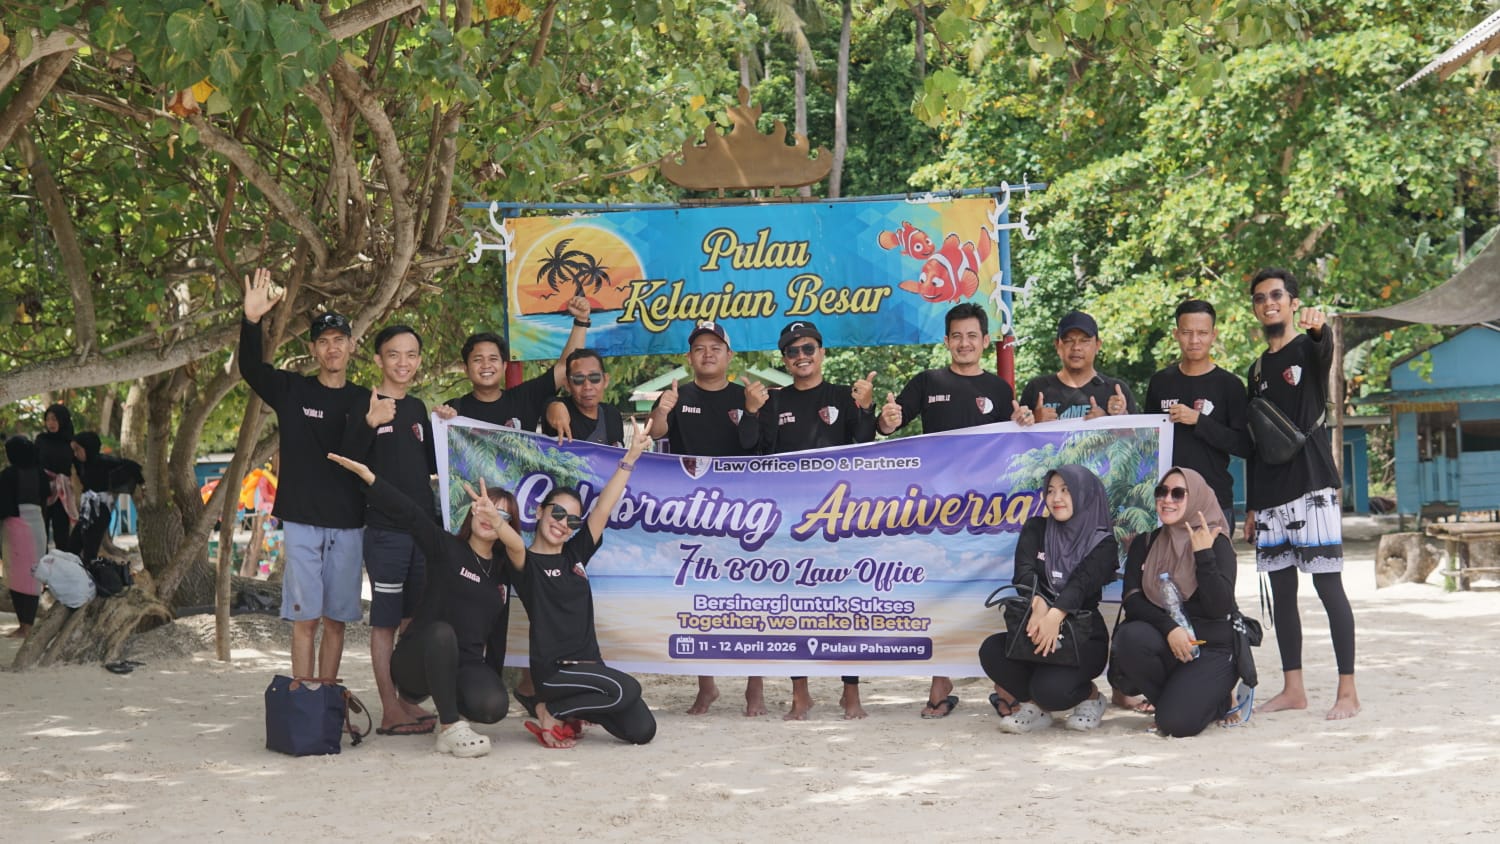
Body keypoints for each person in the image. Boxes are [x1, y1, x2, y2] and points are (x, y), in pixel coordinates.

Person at [326, 451, 515, 758]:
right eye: (485, 508)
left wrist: (489, 680)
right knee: (442, 633)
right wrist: (370, 478)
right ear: (472, 510)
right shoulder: (446, 547)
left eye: (501, 515)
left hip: (463, 664)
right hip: (417, 660)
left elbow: (497, 635)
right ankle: (450, 727)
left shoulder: (502, 573)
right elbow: (410, 513)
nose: (490, 517)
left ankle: (451, 710)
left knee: (493, 706)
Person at [878, 302, 1014, 718]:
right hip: (938, 511)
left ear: (985, 341)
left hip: (990, 513)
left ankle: (1004, 684)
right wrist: (887, 419)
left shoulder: (1000, 389)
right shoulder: (927, 381)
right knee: (942, 593)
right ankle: (941, 681)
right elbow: (889, 425)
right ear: (946, 341)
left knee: (996, 593)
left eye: (972, 335)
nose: (964, 343)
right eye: (957, 336)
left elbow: (1014, 443)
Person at [239, 267, 368, 683]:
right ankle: (303, 696)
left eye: (339, 340)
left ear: (351, 346)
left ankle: (326, 696)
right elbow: (250, 368)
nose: (332, 348)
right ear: (313, 349)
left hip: (349, 523)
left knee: (336, 621)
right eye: (323, 341)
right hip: (302, 522)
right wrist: (252, 321)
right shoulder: (293, 390)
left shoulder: (367, 401)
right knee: (305, 619)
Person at [1244, 267, 1359, 720]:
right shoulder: (1256, 369)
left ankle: (1347, 691)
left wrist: (1319, 327)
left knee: (1329, 587)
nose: (1268, 303)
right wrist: (1252, 506)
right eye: (1260, 298)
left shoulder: (1308, 349)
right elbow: (1256, 442)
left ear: (1293, 303)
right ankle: (1294, 689)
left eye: (1277, 295)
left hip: (1312, 485)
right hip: (1271, 495)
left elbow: (1323, 345)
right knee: (1282, 594)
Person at [497, 420, 656, 748]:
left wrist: (631, 457)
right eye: (557, 513)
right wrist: (493, 519)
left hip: (591, 668)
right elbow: (511, 541)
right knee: (627, 688)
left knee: (642, 730)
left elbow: (604, 507)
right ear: (539, 512)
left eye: (571, 520)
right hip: (556, 672)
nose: (562, 523)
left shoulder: (575, 554)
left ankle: (564, 711)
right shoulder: (526, 563)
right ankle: (548, 709)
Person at [647, 319, 769, 716]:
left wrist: (752, 411)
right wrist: (663, 410)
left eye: (715, 347)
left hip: (744, 514)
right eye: (700, 348)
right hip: (692, 512)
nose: (708, 354)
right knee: (698, 599)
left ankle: (755, 686)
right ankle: (706, 685)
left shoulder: (746, 396)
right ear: (689, 357)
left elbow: (756, 446)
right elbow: (655, 433)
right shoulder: (677, 395)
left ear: (729, 355)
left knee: (750, 600)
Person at [760, 320, 877, 720]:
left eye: (808, 348)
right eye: (792, 351)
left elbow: (865, 444)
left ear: (822, 352)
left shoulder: (844, 395)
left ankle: (851, 692)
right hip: (792, 522)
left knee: (846, 605)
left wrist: (867, 408)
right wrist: (754, 413)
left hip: (841, 519)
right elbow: (758, 453)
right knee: (794, 607)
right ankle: (800, 693)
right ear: (784, 359)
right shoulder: (775, 401)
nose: (801, 356)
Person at [340, 324, 440, 736]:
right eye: (394, 354)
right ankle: (388, 708)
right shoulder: (363, 403)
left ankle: (406, 700)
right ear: (378, 359)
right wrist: (369, 422)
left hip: (423, 530)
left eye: (411, 354)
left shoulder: (417, 408)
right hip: (385, 532)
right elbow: (346, 461)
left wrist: (446, 423)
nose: (403, 362)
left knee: (413, 620)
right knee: (385, 621)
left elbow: (432, 464)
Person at [978, 465, 1116, 732]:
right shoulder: (1036, 528)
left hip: (1081, 635)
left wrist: (1055, 615)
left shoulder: (1103, 542)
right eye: (1050, 491)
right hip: (1035, 624)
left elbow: (1081, 584)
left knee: (1052, 691)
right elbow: (1024, 573)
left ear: (1084, 494)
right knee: (992, 651)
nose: (1056, 498)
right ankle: (1034, 707)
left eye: (1066, 490)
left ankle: (1091, 697)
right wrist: (1039, 605)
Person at [1111, 467, 1248, 737]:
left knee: (1176, 724)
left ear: (1195, 498)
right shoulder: (1146, 543)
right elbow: (1132, 600)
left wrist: (1203, 555)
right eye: (1161, 492)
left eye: (1177, 493)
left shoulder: (1215, 541)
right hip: (1170, 643)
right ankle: (1171, 700)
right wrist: (1170, 629)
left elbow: (1219, 607)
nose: (1167, 499)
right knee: (1130, 637)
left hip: (1212, 648)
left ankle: (1216, 699)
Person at [1145, 300, 1250, 532]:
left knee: (1213, 558)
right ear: (1176, 334)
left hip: (1214, 499)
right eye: (1186, 332)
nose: (1194, 340)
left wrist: (1199, 421)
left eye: (1202, 333)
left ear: (1214, 335)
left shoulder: (1229, 385)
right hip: (1168, 501)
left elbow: (1244, 445)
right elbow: (1148, 441)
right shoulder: (1160, 382)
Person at [442, 297, 592, 430]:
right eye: (477, 359)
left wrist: (581, 321)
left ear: (504, 366)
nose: (486, 365)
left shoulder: (525, 398)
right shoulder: (453, 409)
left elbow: (565, 367)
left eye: (493, 359)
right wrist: (442, 418)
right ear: (466, 369)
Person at [1012, 310, 1138, 425]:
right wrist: (1033, 420)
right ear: (1057, 346)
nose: (1076, 347)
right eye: (1068, 341)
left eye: (1084, 341)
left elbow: (1137, 440)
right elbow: (1019, 438)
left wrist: (1117, 418)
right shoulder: (1037, 388)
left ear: (1097, 345)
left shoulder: (1115, 391)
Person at [68, 432, 143, 562]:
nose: (75, 454)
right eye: (73, 450)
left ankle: (92, 572)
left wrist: (142, 485)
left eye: (77, 449)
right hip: (86, 512)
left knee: (90, 551)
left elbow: (134, 467)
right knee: (72, 548)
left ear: (88, 448)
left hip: (100, 511)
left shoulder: (103, 461)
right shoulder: (82, 464)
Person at [1, 436, 48, 638]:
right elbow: (45, 498)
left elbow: (3, 505)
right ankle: (27, 624)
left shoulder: (8, 474)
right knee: (33, 575)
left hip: (15, 528)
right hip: (37, 526)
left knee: (16, 577)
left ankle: (24, 625)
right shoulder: (40, 473)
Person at [542, 349, 626, 446]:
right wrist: (554, 408)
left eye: (594, 377)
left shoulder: (612, 415)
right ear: (567, 384)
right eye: (578, 379)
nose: (587, 386)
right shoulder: (561, 409)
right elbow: (551, 407)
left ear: (606, 380)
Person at [34, 404, 75, 548]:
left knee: (62, 534)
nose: (51, 423)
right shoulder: (41, 440)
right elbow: (34, 462)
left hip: (63, 492)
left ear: (63, 420)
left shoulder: (71, 442)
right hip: (43, 490)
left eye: (55, 419)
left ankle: (62, 561)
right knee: (41, 533)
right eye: (48, 419)